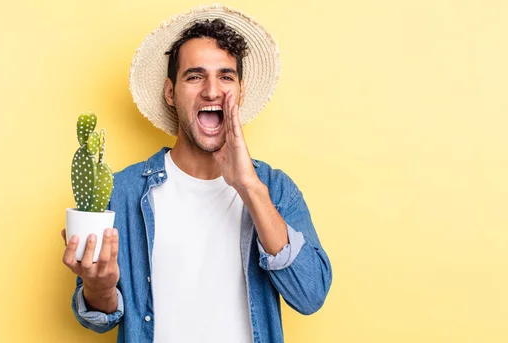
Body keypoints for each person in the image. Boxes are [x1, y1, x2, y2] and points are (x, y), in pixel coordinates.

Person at [61, 4, 332, 343]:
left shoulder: (274, 189)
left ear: (241, 91)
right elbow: (99, 318)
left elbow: (310, 295)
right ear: (170, 93)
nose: (212, 90)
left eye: (226, 76)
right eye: (195, 76)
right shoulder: (124, 192)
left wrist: (248, 186)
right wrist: (98, 287)